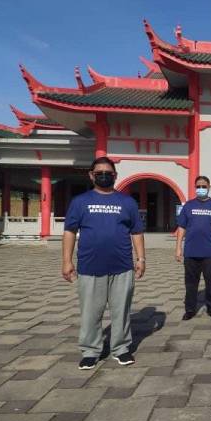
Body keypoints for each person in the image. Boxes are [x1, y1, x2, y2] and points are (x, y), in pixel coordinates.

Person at [62, 157, 145, 369]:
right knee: (90, 312)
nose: (104, 175)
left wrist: (141, 258)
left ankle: (121, 348)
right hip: (90, 267)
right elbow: (70, 231)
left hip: (122, 266)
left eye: (108, 172)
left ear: (115, 175)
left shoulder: (127, 202)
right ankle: (91, 350)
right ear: (91, 175)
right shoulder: (80, 202)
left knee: (121, 311)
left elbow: (136, 232)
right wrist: (66, 261)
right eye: (99, 172)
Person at [175, 175, 211, 321]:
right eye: (198, 186)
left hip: (210, 252)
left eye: (204, 186)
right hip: (191, 252)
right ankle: (190, 309)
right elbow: (181, 227)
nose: (201, 189)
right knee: (190, 284)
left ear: (209, 188)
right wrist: (178, 248)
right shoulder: (188, 206)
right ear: (195, 188)